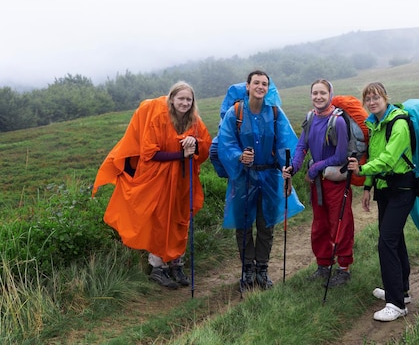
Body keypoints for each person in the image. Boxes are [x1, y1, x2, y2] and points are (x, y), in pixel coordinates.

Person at [92, 81, 212, 290]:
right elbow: (150, 152)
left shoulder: (194, 121)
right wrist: (180, 154)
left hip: (183, 180)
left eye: (188, 99)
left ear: (193, 102)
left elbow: (204, 148)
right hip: (159, 179)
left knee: (180, 218)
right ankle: (158, 267)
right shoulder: (158, 119)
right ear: (172, 99)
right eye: (181, 98)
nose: (184, 103)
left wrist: (194, 143)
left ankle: (177, 263)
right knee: (160, 220)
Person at [219, 70, 303, 290]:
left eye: (264, 84)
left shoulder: (275, 113)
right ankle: (247, 270)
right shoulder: (234, 112)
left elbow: (286, 144)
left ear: (268, 88)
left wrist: (288, 172)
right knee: (244, 225)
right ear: (247, 86)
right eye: (256, 82)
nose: (260, 87)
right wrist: (239, 156)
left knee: (266, 225)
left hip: (269, 177)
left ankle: (262, 270)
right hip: (243, 177)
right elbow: (226, 142)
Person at [347, 82, 415, 322]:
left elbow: (387, 159)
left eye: (376, 97)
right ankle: (401, 290)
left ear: (386, 98)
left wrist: (362, 169)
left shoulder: (398, 123)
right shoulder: (375, 125)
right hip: (385, 189)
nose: (372, 102)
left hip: (402, 188)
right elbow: (377, 156)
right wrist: (367, 186)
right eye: (368, 99)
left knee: (386, 242)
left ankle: (396, 304)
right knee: (395, 240)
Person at [282, 79, 354, 288]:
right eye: (315, 93)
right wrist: (293, 168)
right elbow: (302, 147)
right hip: (318, 184)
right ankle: (323, 265)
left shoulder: (338, 121)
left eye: (322, 93)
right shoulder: (310, 118)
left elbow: (340, 156)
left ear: (330, 94)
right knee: (320, 225)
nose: (318, 97)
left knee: (340, 223)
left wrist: (313, 169)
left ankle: (343, 269)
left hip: (335, 182)